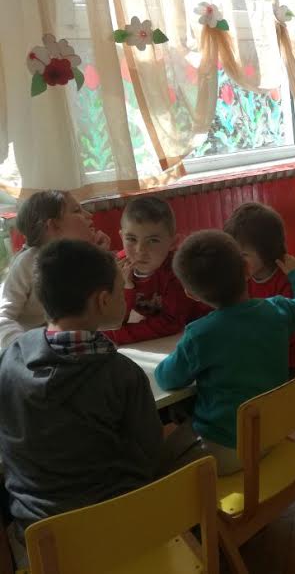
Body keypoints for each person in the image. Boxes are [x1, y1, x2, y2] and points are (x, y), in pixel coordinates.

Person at [0, 240, 163, 565]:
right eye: (121, 291)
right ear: (103, 301)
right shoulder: (123, 375)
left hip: (40, 540)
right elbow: (150, 454)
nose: (124, 297)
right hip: (115, 530)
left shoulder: (10, 358)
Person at [154, 230, 295, 475]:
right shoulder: (278, 310)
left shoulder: (199, 335)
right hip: (272, 434)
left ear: (191, 293)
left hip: (224, 449)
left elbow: (167, 378)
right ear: (247, 269)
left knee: (156, 468)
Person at [0, 191, 110, 350]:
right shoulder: (27, 262)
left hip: (57, 341)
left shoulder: (80, 256)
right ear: (52, 226)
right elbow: (3, 317)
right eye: (77, 211)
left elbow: (104, 308)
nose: (89, 215)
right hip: (27, 346)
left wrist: (102, 257)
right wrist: (23, 348)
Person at [223, 202, 295, 378]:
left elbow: (291, 330)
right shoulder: (245, 275)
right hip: (254, 355)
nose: (236, 261)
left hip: (281, 364)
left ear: (267, 252)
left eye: (243, 255)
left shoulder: (286, 282)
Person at [104, 197, 196, 345]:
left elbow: (171, 323)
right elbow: (117, 319)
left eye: (153, 240)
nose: (140, 250)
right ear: (121, 237)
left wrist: (116, 335)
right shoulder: (119, 266)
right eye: (131, 239)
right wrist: (127, 286)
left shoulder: (177, 271)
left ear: (173, 243)